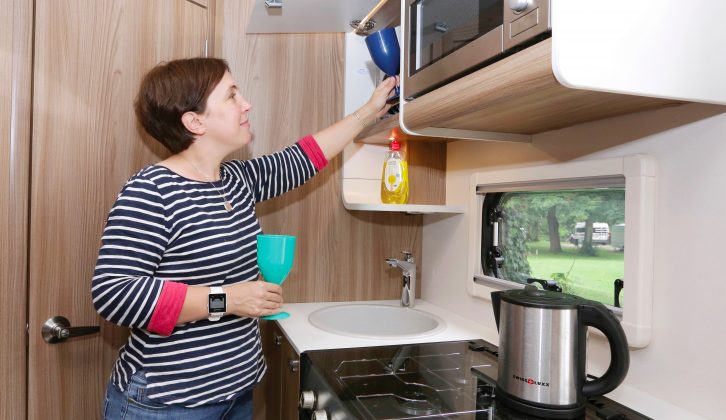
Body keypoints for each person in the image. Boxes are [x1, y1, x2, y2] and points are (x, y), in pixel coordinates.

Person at [92, 57, 396, 419]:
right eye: (231, 95)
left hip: (235, 394)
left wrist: (369, 111)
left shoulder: (235, 180)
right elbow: (113, 294)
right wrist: (226, 300)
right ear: (195, 121)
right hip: (165, 405)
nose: (246, 103)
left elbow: (302, 159)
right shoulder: (152, 190)